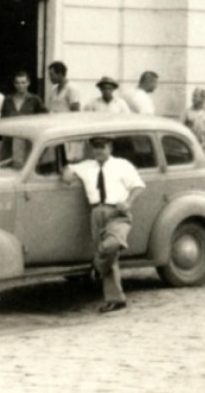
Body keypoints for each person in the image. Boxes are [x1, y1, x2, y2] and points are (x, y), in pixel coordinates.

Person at [67, 134, 146, 314]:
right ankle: (116, 300)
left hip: (117, 213)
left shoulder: (122, 165)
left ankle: (96, 267)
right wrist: (67, 173)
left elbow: (139, 186)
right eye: (96, 147)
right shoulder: (86, 166)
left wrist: (128, 203)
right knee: (110, 258)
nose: (99, 151)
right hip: (96, 214)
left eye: (102, 147)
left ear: (110, 148)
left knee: (112, 245)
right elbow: (69, 171)